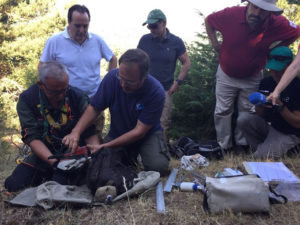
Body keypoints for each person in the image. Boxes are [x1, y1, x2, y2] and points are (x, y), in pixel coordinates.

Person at [205, 0, 300, 151]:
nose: (256, 13)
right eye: (255, 7)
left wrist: (276, 48)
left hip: (253, 74)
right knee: (222, 111)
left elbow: (296, 31)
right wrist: (215, 44)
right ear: (248, 3)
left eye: (262, 10)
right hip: (226, 72)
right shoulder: (231, 14)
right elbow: (209, 20)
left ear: (270, 12)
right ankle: (224, 146)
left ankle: (242, 145)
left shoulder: (278, 23)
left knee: (248, 109)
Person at [63, 49, 170, 176]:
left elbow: (139, 131)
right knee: (102, 166)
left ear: (143, 77)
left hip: (147, 135)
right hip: (117, 133)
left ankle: (144, 153)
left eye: (129, 82)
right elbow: (94, 108)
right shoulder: (112, 78)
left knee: (158, 167)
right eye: (121, 78)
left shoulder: (156, 92)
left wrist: (105, 146)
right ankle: (128, 157)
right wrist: (76, 132)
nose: (123, 84)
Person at [5, 61, 99, 192]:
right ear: (41, 85)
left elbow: (90, 132)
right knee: (13, 184)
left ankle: (59, 176)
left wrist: (96, 157)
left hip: (72, 152)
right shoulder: (27, 99)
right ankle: (52, 173)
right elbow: (32, 138)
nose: (61, 96)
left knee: (59, 184)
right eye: (55, 92)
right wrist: (55, 164)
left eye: (64, 90)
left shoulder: (78, 96)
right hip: (45, 153)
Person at [39, 4, 118, 138]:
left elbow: (113, 59)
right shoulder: (55, 41)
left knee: (94, 138)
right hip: (65, 101)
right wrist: (48, 93)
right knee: (67, 138)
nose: (82, 30)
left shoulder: (97, 40)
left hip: (94, 100)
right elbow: (42, 66)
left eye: (85, 26)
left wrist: (107, 85)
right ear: (69, 22)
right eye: (77, 25)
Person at [237, 46, 300, 159]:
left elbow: (297, 123)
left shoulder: (297, 86)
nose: (273, 72)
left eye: (278, 69)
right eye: (271, 68)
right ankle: (263, 149)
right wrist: (260, 105)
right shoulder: (266, 82)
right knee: (244, 119)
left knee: (260, 158)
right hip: (272, 126)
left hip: (290, 132)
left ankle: (289, 150)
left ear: (289, 66)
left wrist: (280, 106)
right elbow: (260, 114)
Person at [137, 9, 191, 139]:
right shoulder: (145, 40)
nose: (151, 30)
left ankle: (159, 153)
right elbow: (136, 60)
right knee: (139, 120)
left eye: (154, 26)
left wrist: (178, 83)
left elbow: (186, 63)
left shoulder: (176, 42)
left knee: (162, 123)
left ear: (164, 23)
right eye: (149, 26)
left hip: (165, 90)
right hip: (145, 89)